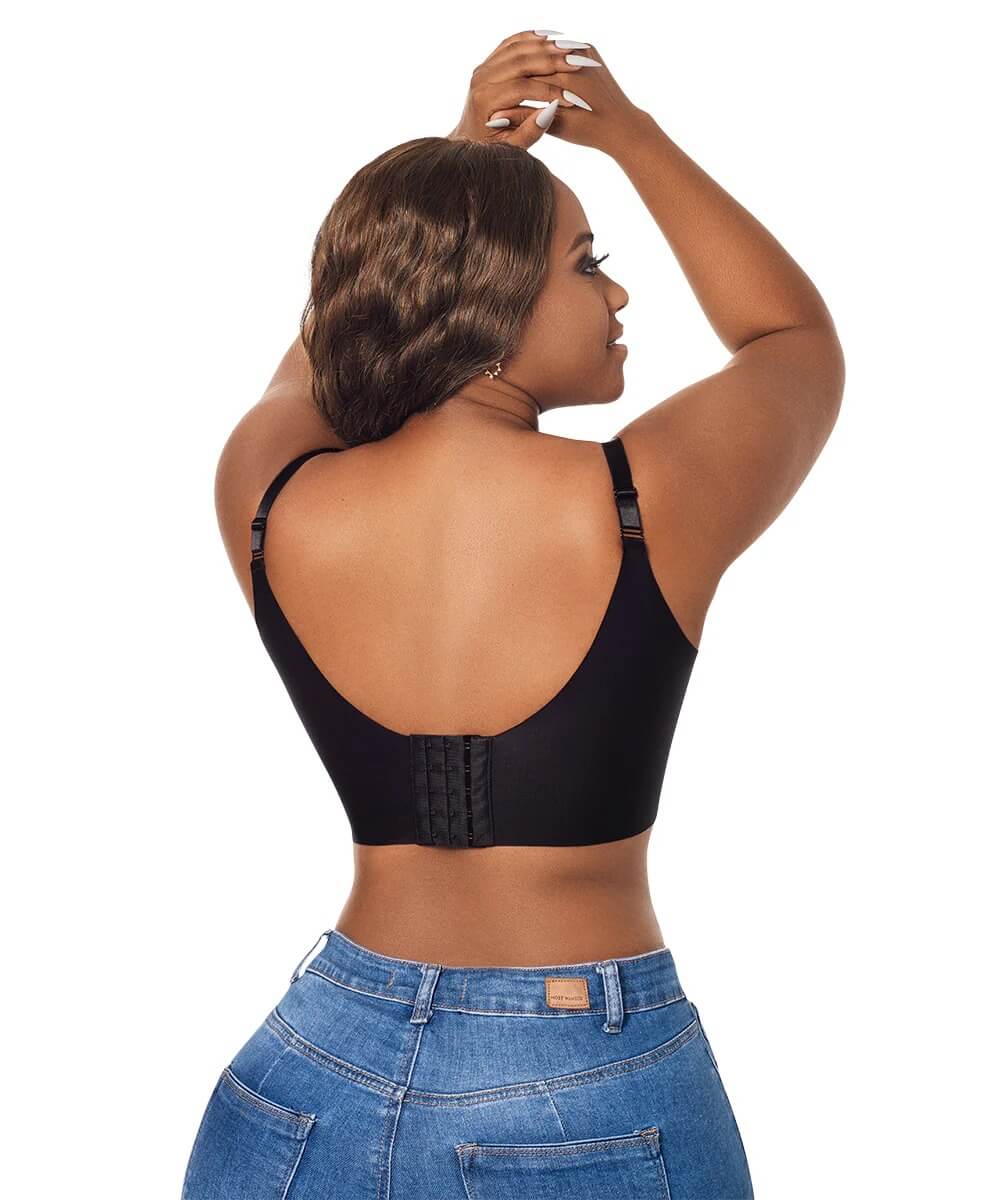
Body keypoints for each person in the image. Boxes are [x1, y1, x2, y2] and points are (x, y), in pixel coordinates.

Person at [183, 28, 844, 1199]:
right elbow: (789, 338)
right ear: (487, 300)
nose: (618, 291)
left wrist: (461, 168)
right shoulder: (648, 503)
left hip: (306, 1076)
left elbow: (327, 345)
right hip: (578, 1086)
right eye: (589, 264)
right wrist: (631, 136)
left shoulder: (269, 498)